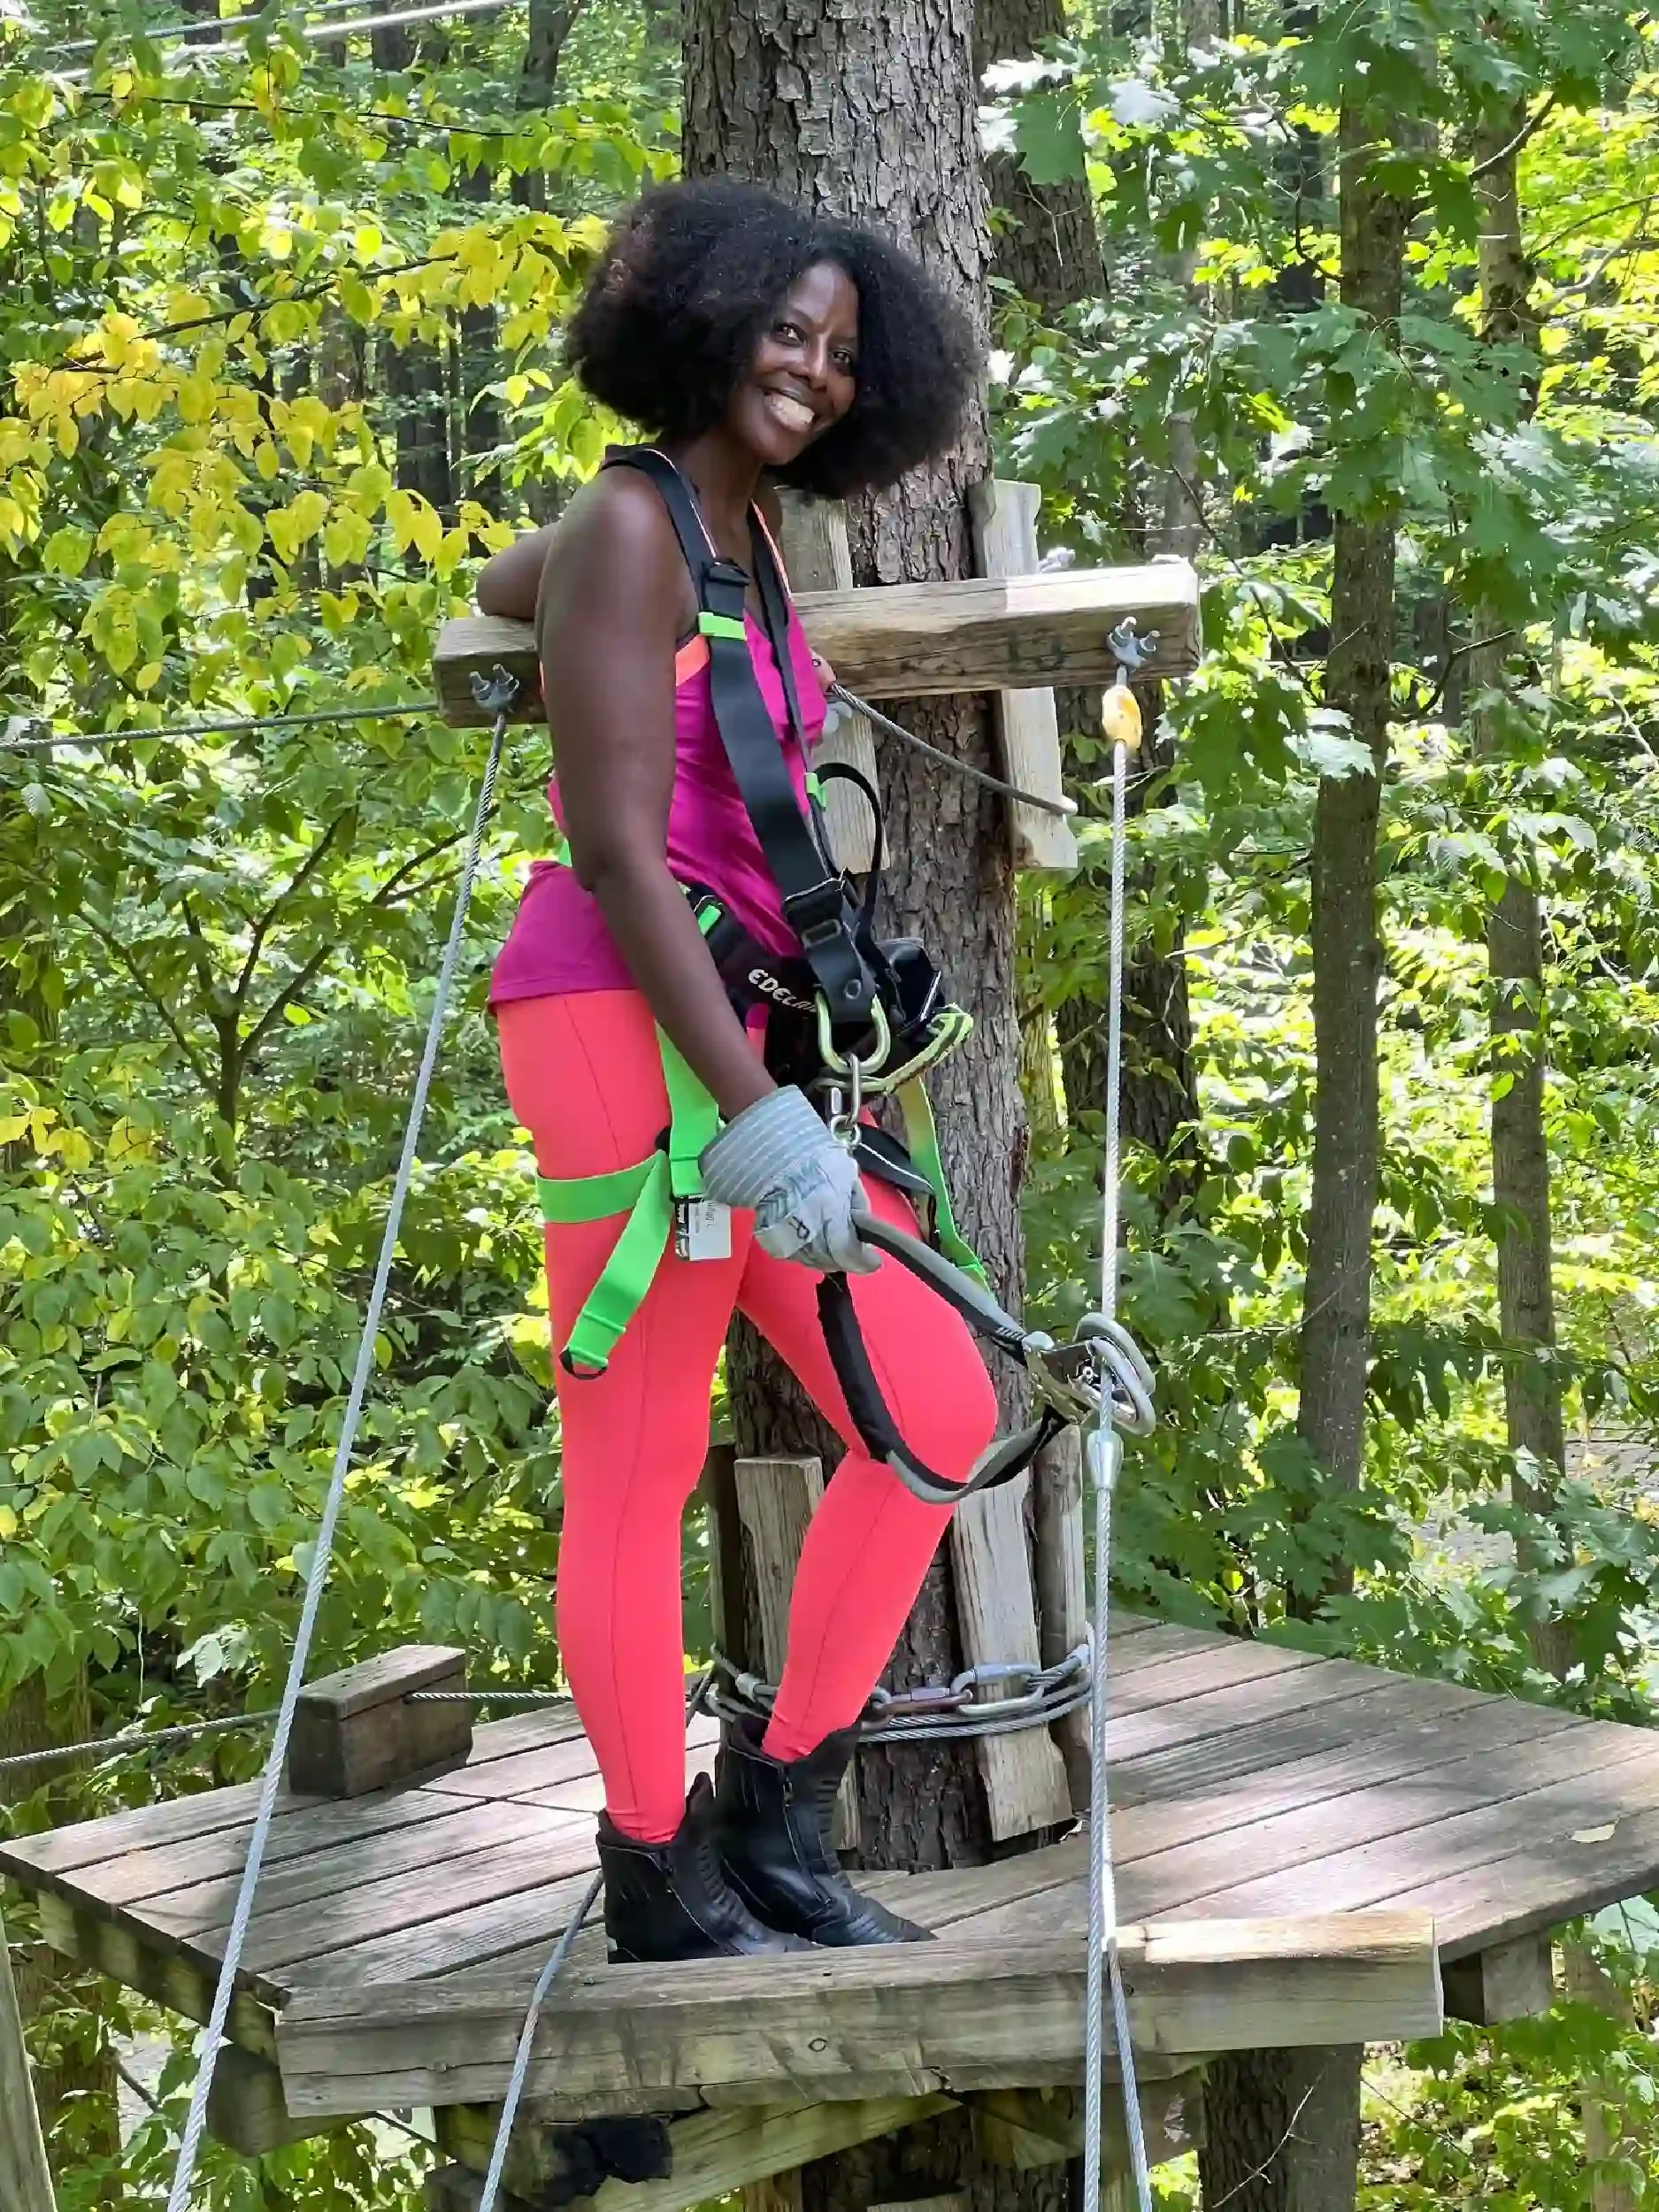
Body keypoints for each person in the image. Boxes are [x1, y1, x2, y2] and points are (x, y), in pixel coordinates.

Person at [475, 178, 994, 1965]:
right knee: (641, 1457)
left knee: (932, 1410)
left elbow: (504, 579)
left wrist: (776, 1090)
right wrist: (761, 1113)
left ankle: (778, 1812)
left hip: (732, 1033)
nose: (817, 371)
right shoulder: (642, 526)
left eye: (847, 353)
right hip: (622, 1021)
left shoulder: (727, 529)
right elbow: (622, 852)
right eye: (788, 330)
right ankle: (653, 1869)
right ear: (701, 324)